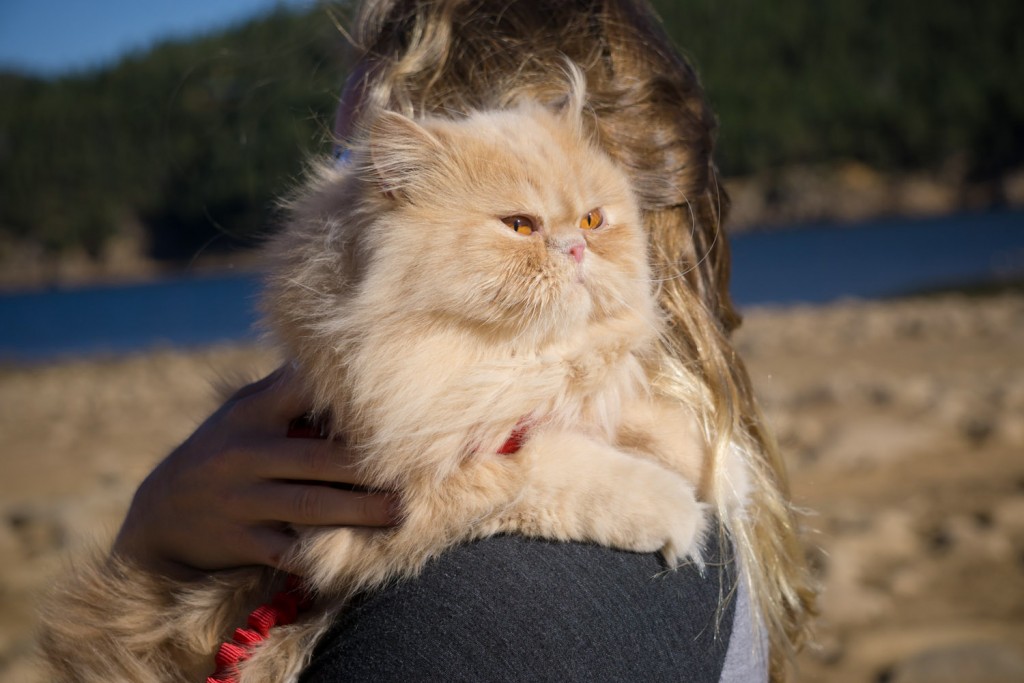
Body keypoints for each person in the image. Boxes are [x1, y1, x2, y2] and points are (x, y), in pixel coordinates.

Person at [102, 0, 816, 680]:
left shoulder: (490, 615)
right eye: (522, 223)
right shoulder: (706, 468)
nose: (569, 247)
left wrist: (143, 538)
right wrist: (149, 540)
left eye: (358, 156)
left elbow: (413, 489)